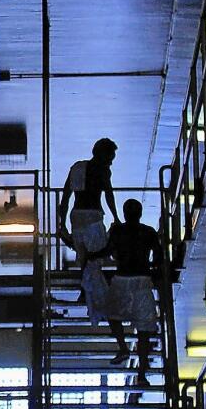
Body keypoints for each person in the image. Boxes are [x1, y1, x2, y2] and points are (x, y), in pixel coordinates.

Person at [90, 199, 163, 386]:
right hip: (142, 279)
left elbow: (107, 251)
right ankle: (141, 374)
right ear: (139, 213)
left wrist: (89, 256)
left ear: (124, 213)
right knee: (145, 329)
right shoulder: (148, 232)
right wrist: (154, 270)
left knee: (113, 315)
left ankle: (123, 348)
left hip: (122, 279)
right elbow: (159, 257)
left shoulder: (118, 231)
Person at [57, 139, 120, 325]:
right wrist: (116, 217)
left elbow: (65, 196)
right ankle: (91, 295)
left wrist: (62, 223)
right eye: (110, 157)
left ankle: (86, 293)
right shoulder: (102, 170)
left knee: (84, 257)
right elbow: (108, 194)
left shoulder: (76, 167)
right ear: (103, 154)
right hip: (92, 216)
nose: (111, 162)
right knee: (93, 258)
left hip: (76, 215)